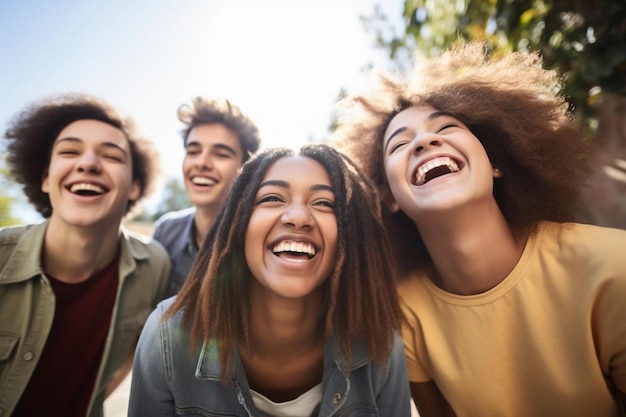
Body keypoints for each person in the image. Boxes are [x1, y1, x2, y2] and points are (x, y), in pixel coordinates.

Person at [331, 42, 626, 416]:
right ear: (388, 197)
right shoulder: (404, 312)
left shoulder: (613, 265)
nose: (424, 140)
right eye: (400, 144)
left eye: (447, 128)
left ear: (495, 163)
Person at [129, 144, 411, 416]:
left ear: (350, 234)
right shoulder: (167, 338)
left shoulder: (380, 342)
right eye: (272, 198)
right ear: (238, 224)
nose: (299, 217)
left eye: (324, 203)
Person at [0, 93, 170, 417]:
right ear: (46, 178)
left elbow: (134, 350)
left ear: (134, 186)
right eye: (69, 151)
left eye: (112, 156)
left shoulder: (155, 266)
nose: (88, 163)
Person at [153, 97, 261, 298]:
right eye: (193, 151)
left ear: (247, 169)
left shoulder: (261, 242)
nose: (202, 163)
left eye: (221, 154)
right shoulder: (165, 233)